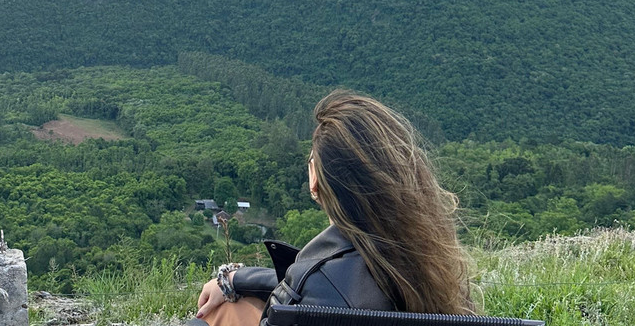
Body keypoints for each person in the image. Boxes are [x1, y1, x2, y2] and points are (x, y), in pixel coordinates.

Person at [195, 90, 473, 326]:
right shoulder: (428, 264)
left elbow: (314, 287)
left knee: (218, 314)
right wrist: (234, 279)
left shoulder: (317, 287)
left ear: (315, 179)